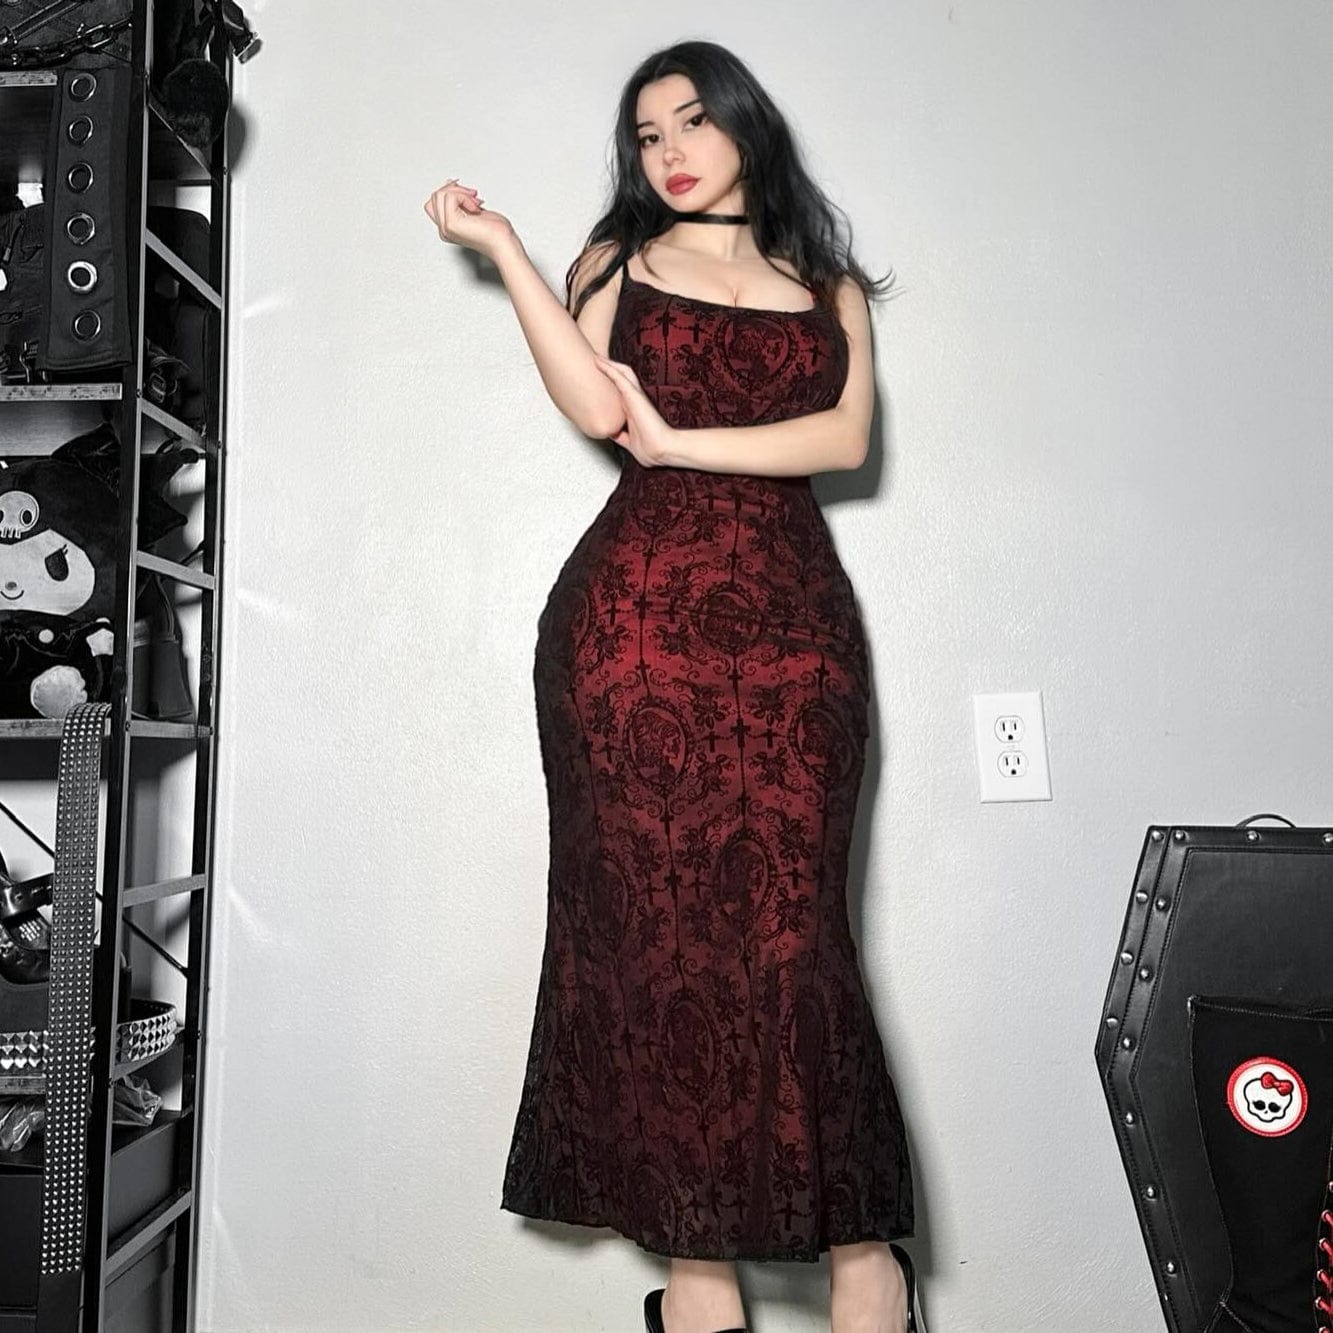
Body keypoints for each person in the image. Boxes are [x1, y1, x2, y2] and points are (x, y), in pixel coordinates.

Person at [425, 38, 921, 1333]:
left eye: (692, 121)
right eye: (646, 136)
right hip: (632, 633)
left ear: (747, 124)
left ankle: (866, 1260)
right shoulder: (617, 260)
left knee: (798, 939)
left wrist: (684, 441)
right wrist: (507, 251)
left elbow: (844, 438)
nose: (670, 152)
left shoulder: (828, 283)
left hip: (795, 630)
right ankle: (700, 1281)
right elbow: (600, 411)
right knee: (656, 945)